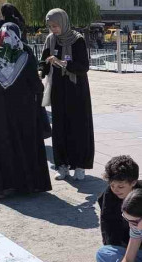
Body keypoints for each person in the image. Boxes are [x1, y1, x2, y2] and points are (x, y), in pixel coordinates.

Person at [0, 23, 51, 200]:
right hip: (23, 110)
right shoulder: (25, 56)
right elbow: (36, 86)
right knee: (23, 144)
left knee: (1, 145)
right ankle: (26, 185)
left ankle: (1, 187)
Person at [41, 8, 94, 181]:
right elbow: (43, 63)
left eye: (56, 25)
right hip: (58, 89)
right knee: (60, 127)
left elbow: (83, 66)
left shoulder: (77, 40)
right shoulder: (51, 40)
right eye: (50, 26)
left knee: (78, 127)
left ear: (63, 23)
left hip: (77, 90)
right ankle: (62, 165)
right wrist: (46, 65)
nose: (54, 29)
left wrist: (64, 64)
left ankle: (79, 165)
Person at [98, 155, 142, 251]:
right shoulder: (109, 195)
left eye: (121, 186)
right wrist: (112, 247)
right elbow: (108, 224)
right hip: (119, 230)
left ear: (133, 183)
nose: (115, 190)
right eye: (112, 185)